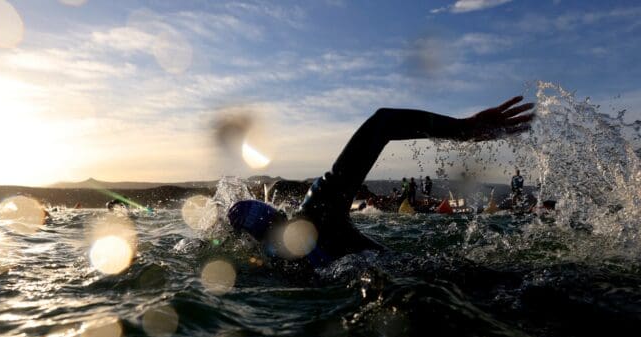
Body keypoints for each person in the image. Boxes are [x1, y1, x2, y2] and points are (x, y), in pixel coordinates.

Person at [227, 96, 534, 266]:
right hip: (425, 273)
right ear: (278, 213)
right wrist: (463, 129)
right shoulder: (317, 212)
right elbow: (382, 122)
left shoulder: (282, 272)